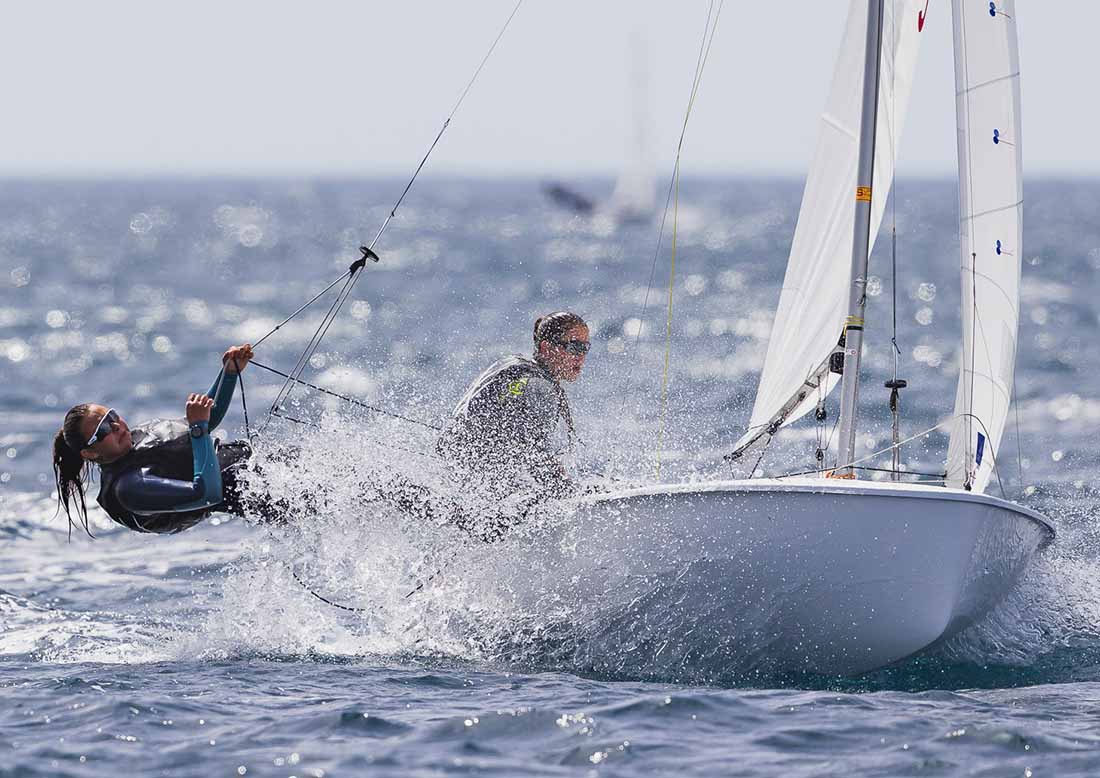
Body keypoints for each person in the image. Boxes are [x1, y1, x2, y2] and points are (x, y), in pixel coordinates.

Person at [52, 344, 257, 535]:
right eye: (103, 429)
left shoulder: (142, 436)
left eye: (111, 417)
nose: (115, 426)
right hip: (262, 495)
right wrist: (198, 430)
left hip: (264, 467)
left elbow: (207, 417)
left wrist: (228, 374)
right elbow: (208, 495)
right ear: (90, 453)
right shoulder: (130, 489)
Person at [436, 311, 590, 501]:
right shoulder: (540, 388)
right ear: (546, 347)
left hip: (460, 472)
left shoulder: (513, 365)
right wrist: (569, 494)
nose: (580, 357)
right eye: (574, 347)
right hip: (481, 487)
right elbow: (537, 457)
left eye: (585, 348)